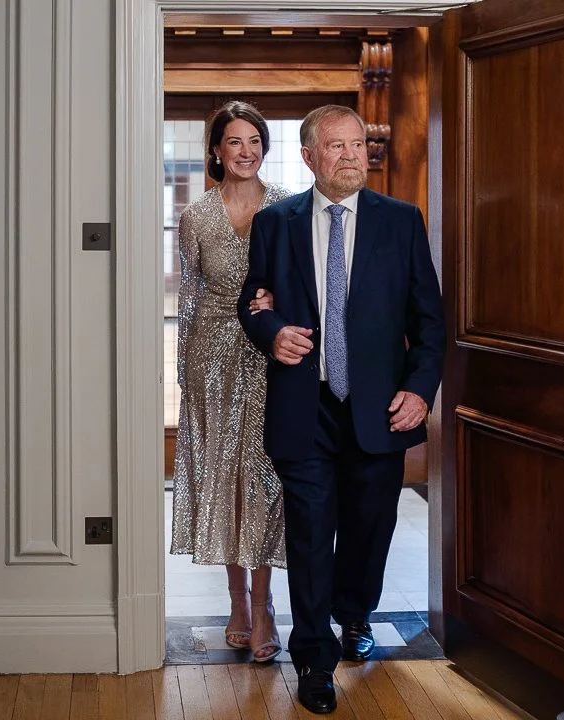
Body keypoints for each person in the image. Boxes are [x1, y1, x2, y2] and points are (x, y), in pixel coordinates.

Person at [237, 105, 446, 713]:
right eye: (336, 146)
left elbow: (428, 323)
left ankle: (355, 615)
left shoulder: (401, 222)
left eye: (357, 144)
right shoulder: (276, 222)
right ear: (308, 156)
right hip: (304, 408)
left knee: (368, 528)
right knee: (307, 537)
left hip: (379, 410)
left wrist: (419, 390)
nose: (351, 154)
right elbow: (254, 301)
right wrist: (272, 330)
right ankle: (312, 658)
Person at [170, 100, 290, 663]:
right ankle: (237, 603)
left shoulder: (288, 208)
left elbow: (307, 287)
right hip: (212, 361)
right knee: (228, 483)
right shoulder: (196, 216)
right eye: (235, 142)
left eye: (255, 141)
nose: (246, 151)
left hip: (271, 356)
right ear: (216, 151)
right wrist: (185, 375)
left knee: (265, 480)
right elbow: (190, 300)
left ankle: (265, 607)